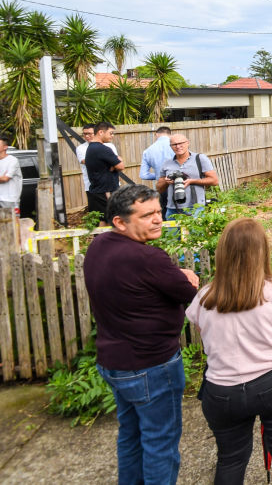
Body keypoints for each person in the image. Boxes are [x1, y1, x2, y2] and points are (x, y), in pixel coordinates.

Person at [83, 184, 199, 484]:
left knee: (131, 436)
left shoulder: (98, 247)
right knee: (161, 443)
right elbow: (188, 292)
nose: (158, 219)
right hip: (152, 365)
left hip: (114, 363)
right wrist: (186, 274)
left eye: (159, 212)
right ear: (120, 222)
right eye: (147, 215)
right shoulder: (147, 258)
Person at [186, 218, 272, 484]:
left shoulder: (203, 298)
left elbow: (206, 338)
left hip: (222, 391)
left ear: (222, 253)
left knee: (230, 459)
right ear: (261, 251)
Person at [157, 134, 218, 219]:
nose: (178, 146)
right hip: (173, 209)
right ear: (170, 146)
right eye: (174, 144)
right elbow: (159, 188)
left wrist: (192, 181)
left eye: (181, 143)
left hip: (196, 208)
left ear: (187, 143)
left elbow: (214, 181)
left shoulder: (200, 158)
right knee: (171, 232)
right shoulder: (167, 163)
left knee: (195, 232)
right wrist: (166, 182)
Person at [84, 122, 125, 221]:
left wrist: (113, 165)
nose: (112, 136)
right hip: (105, 191)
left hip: (98, 191)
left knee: (102, 221)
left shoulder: (92, 147)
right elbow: (120, 166)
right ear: (101, 132)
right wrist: (116, 162)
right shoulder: (102, 149)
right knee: (111, 221)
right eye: (110, 133)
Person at [140, 127, 174, 216]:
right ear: (170, 134)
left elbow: (143, 175)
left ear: (156, 135)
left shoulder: (147, 151)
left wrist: (159, 175)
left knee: (165, 213)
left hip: (162, 186)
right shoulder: (176, 146)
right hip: (179, 184)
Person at [0, 135, 23, 213]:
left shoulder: (12, 160)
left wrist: (3, 177)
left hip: (10, 199)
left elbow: (5, 178)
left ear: (5, 147)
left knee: (13, 223)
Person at [76, 124, 95, 193]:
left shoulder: (108, 145)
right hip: (91, 185)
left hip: (111, 184)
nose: (87, 136)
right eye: (84, 134)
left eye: (89, 134)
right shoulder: (81, 148)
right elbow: (85, 161)